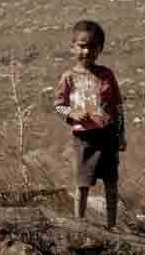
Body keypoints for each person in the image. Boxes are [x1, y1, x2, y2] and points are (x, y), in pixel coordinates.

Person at [53, 19, 125, 229]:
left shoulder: (106, 75)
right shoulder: (69, 77)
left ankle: (111, 225)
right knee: (83, 182)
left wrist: (121, 134)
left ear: (100, 48)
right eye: (82, 46)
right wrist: (73, 114)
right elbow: (58, 105)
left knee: (111, 182)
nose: (87, 51)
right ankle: (80, 224)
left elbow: (118, 106)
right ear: (73, 47)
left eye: (93, 46)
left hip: (108, 134)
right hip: (84, 138)